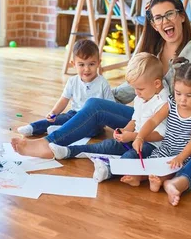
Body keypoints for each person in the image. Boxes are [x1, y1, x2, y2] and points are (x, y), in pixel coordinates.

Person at [11, 0, 191, 193]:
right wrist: (96, 101)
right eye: (158, 17)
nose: (164, 21)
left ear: (181, 17)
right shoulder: (153, 52)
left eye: (169, 14)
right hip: (151, 120)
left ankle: (181, 180)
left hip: (186, 127)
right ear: (154, 25)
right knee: (95, 104)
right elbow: (130, 90)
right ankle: (49, 145)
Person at [49, 53, 169, 183]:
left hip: (152, 146)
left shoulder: (163, 103)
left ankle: (108, 169)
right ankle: (69, 151)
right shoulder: (142, 96)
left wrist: (133, 136)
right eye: (134, 88)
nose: (136, 93)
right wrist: (124, 131)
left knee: (130, 156)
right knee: (106, 145)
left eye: (140, 89)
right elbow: (135, 120)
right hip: (134, 138)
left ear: (157, 84)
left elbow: (160, 135)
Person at [134, 58, 191, 205]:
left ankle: (162, 182)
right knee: (149, 164)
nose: (182, 100)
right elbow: (153, 120)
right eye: (178, 93)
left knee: (172, 170)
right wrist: (140, 137)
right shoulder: (171, 104)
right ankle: (141, 178)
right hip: (166, 149)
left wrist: (181, 157)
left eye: (189, 95)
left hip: (184, 154)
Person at [17, 39, 114, 137]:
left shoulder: (103, 83)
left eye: (91, 64)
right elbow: (64, 100)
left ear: (98, 63)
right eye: (81, 64)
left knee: (93, 130)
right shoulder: (72, 81)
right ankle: (32, 128)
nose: (87, 69)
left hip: (94, 120)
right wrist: (53, 112)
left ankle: (62, 130)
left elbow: (111, 106)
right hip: (74, 114)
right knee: (56, 120)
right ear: (73, 64)